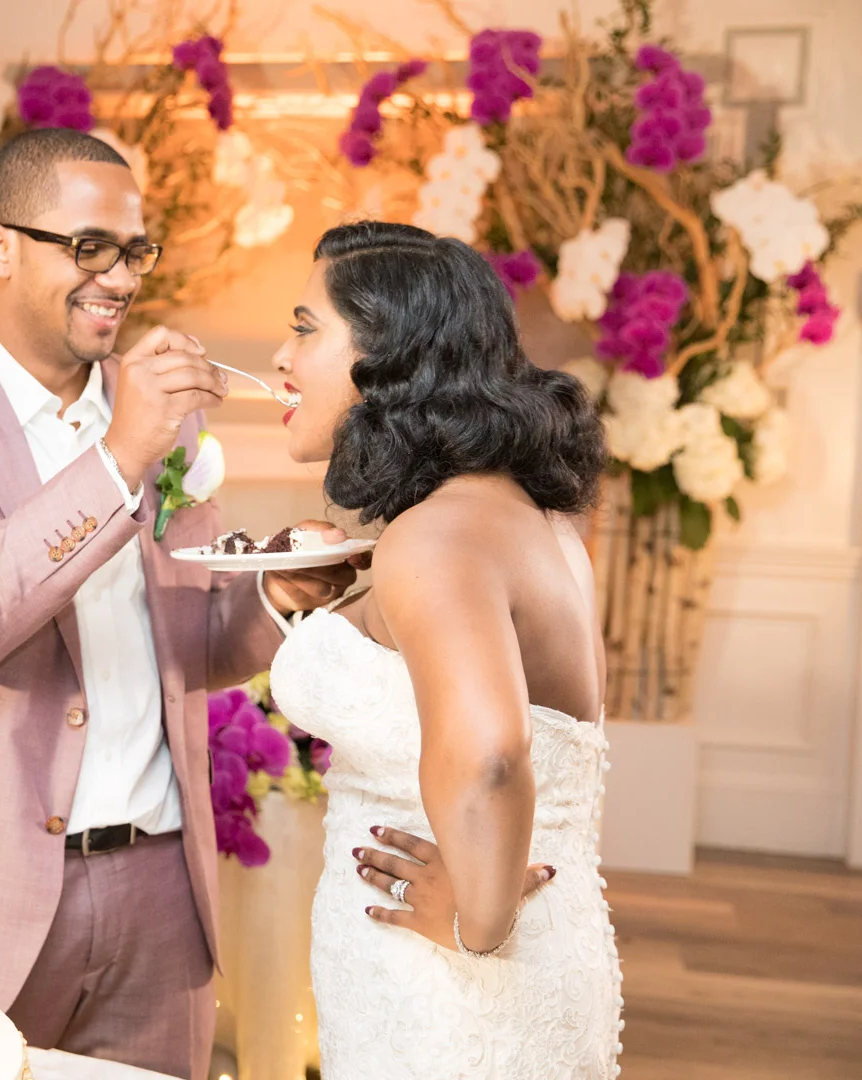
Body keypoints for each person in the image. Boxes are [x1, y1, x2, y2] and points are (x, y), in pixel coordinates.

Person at [0, 128, 357, 1079]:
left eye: (134, 251)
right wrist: (119, 458)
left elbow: (192, 642)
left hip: (162, 891)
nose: (120, 277)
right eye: (88, 247)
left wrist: (275, 592)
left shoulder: (165, 416)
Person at [265, 221, 619, 1077]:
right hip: (522, 961)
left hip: (449, 995)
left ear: (387, 355)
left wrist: (477, 923)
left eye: (305, 329)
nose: (281, 356)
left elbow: (493, 753)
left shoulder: (436, 536)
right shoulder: (527, 515)